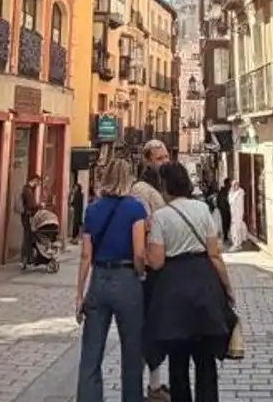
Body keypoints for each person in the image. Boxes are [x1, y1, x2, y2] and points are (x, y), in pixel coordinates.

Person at [143, 163, 234, 402]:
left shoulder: (161, 217)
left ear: (165, 186)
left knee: (178, 363)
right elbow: (214, 254)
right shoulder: (202, 209)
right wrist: (227, 287)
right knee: (205, 362)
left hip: (173, 292)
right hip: (203, 285)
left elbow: (158, 261)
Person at [76, 159, 151, 402]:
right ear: (128, 178)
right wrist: (141, 274)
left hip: (99, 279)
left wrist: (80, 294)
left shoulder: (93, 209)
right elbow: (139, 252)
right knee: (132, 352)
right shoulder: (136, 209)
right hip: (128, 279)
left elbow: (86, 254)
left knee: (91, 354)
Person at [131, 140, 172, 400]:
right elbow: (143, 225)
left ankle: (156, 383)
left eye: (166, 157)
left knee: (162, 326)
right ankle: (150, 385)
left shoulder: (166, 186)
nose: (164, 162)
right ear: (147, 160)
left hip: (165, 264)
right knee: (149, 326)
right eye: (159, 158)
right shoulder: (140, 190)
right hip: (149, 266)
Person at [19, 172, 44, 268]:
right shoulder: (28, 190)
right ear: (34, 180)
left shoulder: (28, 189)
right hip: (28, 216)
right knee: (27, 237)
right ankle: (25, 259)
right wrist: (39, 205)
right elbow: (31, 205)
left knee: (28, 237)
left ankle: (27, 259)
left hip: (27, 216)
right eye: (38, 182)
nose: (38, 185)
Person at [226, 181, 247, 251]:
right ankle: (236, 243)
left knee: (238, 228)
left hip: (239, 213)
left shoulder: (240, 192)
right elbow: (230, 201)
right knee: (234, 229)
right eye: (234, 185)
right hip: (233, 213)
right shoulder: (231, 193)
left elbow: (238, 200)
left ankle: (237, 244)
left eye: (237, 185)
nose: (236, 186)